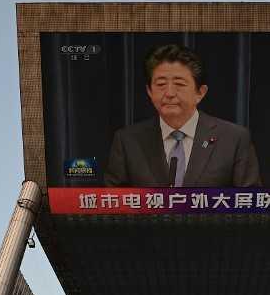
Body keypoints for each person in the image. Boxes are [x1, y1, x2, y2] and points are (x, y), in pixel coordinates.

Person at [105, 44, 261, 188]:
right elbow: (112, 204)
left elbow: (250, 204)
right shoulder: (127, 141)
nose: (169, 93)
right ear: (149, 92)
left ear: (200, 93)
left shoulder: (234, 139)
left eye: (179, 84)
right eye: (160, 85)